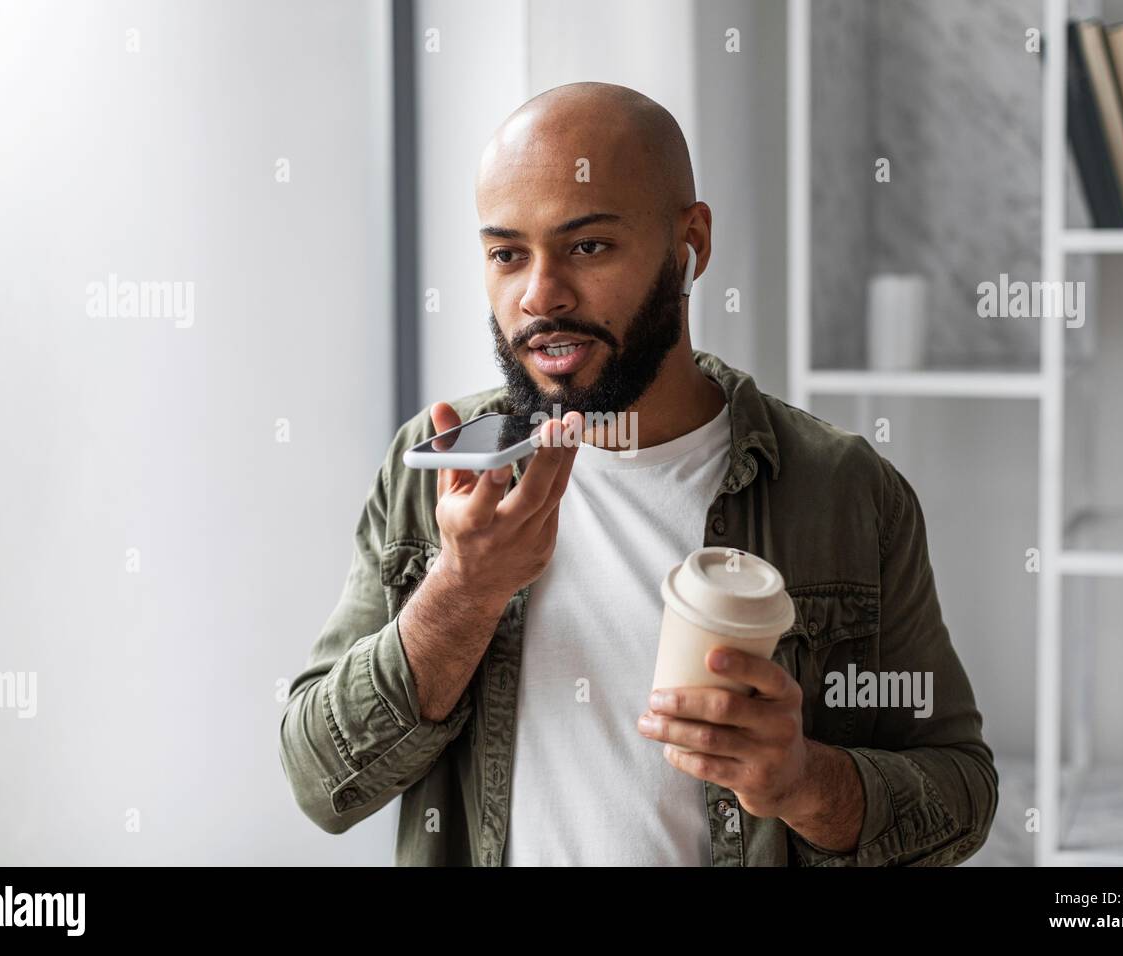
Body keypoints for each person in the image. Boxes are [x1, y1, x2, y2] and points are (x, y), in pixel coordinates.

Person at [278, 81, 997, 866]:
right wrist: (463, 589)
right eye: (507, 254)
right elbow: (321, 783)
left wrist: (802, 784)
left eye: (588, 246)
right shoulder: (439, 468)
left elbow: (961, 794)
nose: (539, 295)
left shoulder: (844, 491)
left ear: (691, 243)